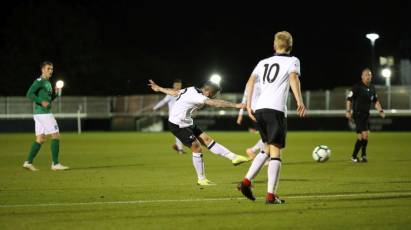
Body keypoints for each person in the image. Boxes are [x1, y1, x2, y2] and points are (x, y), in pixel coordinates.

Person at [237, 31, 306, 204]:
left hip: (260, 108)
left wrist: (250, 106)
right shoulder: (292, 60)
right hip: (275, 110)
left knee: (266, 149)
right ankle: (270, 196)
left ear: (274, 45)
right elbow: (293, 78)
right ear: (290, 46)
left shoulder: (263, 62)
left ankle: (246, 182)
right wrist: (300, 101)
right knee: (275, 152)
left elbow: (250, 82)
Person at [148, 79, 250, 186]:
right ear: (208, 92)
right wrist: (236, 105)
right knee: (197, 147)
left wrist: (159, 88)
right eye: (213, 94)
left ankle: (234, 157)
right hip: (177, 124)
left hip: (187, 122)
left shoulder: (191, 89)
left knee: (207, 140)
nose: (214, 97)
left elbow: (175, 92)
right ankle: (201, 179)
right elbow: (216, 104)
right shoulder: (199, 97)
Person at [23, 61, 69, 171]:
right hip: (44, 113)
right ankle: (55, 164)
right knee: (56, 135)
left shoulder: (47, 83)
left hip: (40, 114)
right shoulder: (39, 81)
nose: (51, 71)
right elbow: (29, 94)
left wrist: (56, 94)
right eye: (48, 69)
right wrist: (41, 101)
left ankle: (28, 162)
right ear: (42, 70)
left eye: (52, 69)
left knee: (41, 138)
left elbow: (48, 100)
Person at [346, 68, 385, 163]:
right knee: (365, 135)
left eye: (370, 75)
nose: (368, 76)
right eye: (366, 75)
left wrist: (380, 110)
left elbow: (375, 101)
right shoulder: (357, 86)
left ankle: (358, 156)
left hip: (366, 115)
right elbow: (349, 99)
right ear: (362, 76)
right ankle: (360, 156)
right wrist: (348, 111)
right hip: (358, 114)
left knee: (362, 137)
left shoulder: (372, 88)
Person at [153, 79, 185, 154]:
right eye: (176, 85)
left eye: (179, 85)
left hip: (183, 116)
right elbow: (163, 101)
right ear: (173, 85)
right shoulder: (170, 94)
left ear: (181, 85)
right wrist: (155, 107)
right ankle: (180, 149)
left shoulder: (183, 93)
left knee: (184, 133)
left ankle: (178, 146)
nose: (177, 86)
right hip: (174, 117)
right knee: (179, 133)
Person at [236, 78, 264, 160]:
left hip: (258, 111)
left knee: (267, 135)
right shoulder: (259, 82)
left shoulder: (251, 82)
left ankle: (262, 156)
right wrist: (240, 115)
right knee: (269, 136)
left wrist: (240, 115)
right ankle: (253, 151)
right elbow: (245, 99)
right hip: (259, 111)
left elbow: (244, 99)